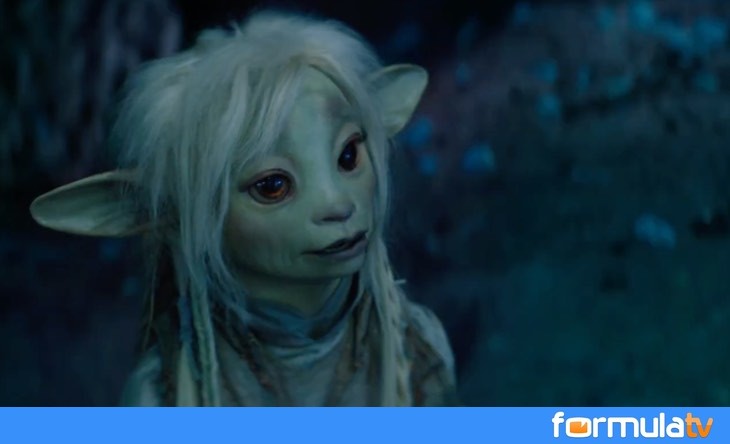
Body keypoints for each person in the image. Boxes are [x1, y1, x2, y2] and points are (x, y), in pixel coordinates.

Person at [30, 10, 458, 406]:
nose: (337, 203)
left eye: (348, 157)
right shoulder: (162, 403)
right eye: (272, 186)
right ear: (182, 213)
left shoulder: (418, 354)